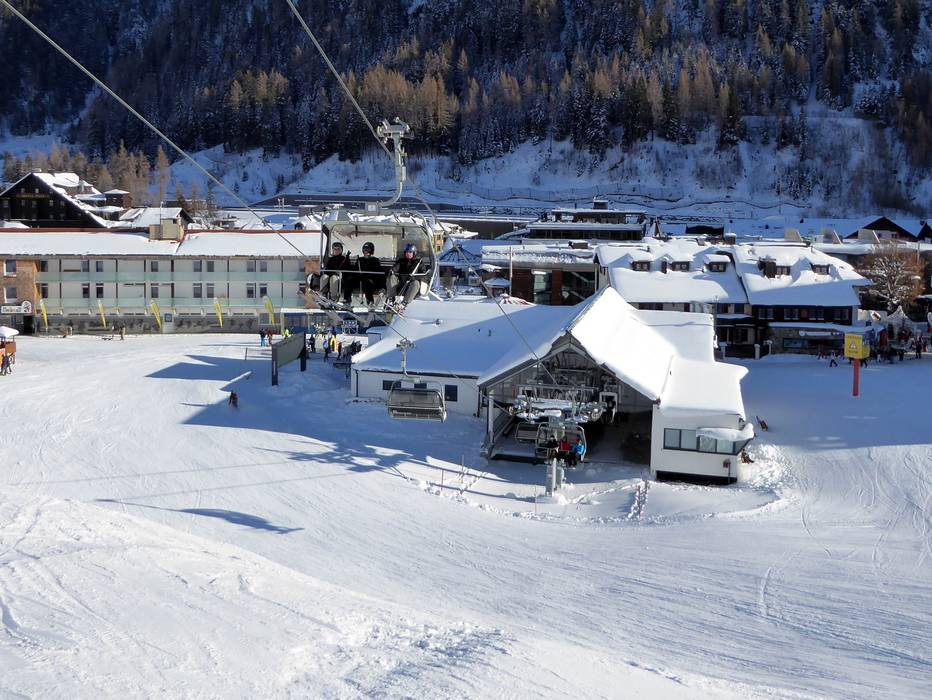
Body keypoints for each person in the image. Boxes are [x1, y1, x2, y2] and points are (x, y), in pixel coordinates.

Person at [355, 241, 386, 305]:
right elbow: (355, 271)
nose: (366, 251)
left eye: (368, 250)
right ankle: (370, 302)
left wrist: (372, 279)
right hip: (362, 280)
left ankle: (371, 302)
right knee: (366, 283)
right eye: (365, 249)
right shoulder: (360, 260)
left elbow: (378, 272)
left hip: (373, 281)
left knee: (368, 284)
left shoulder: (375, 260)